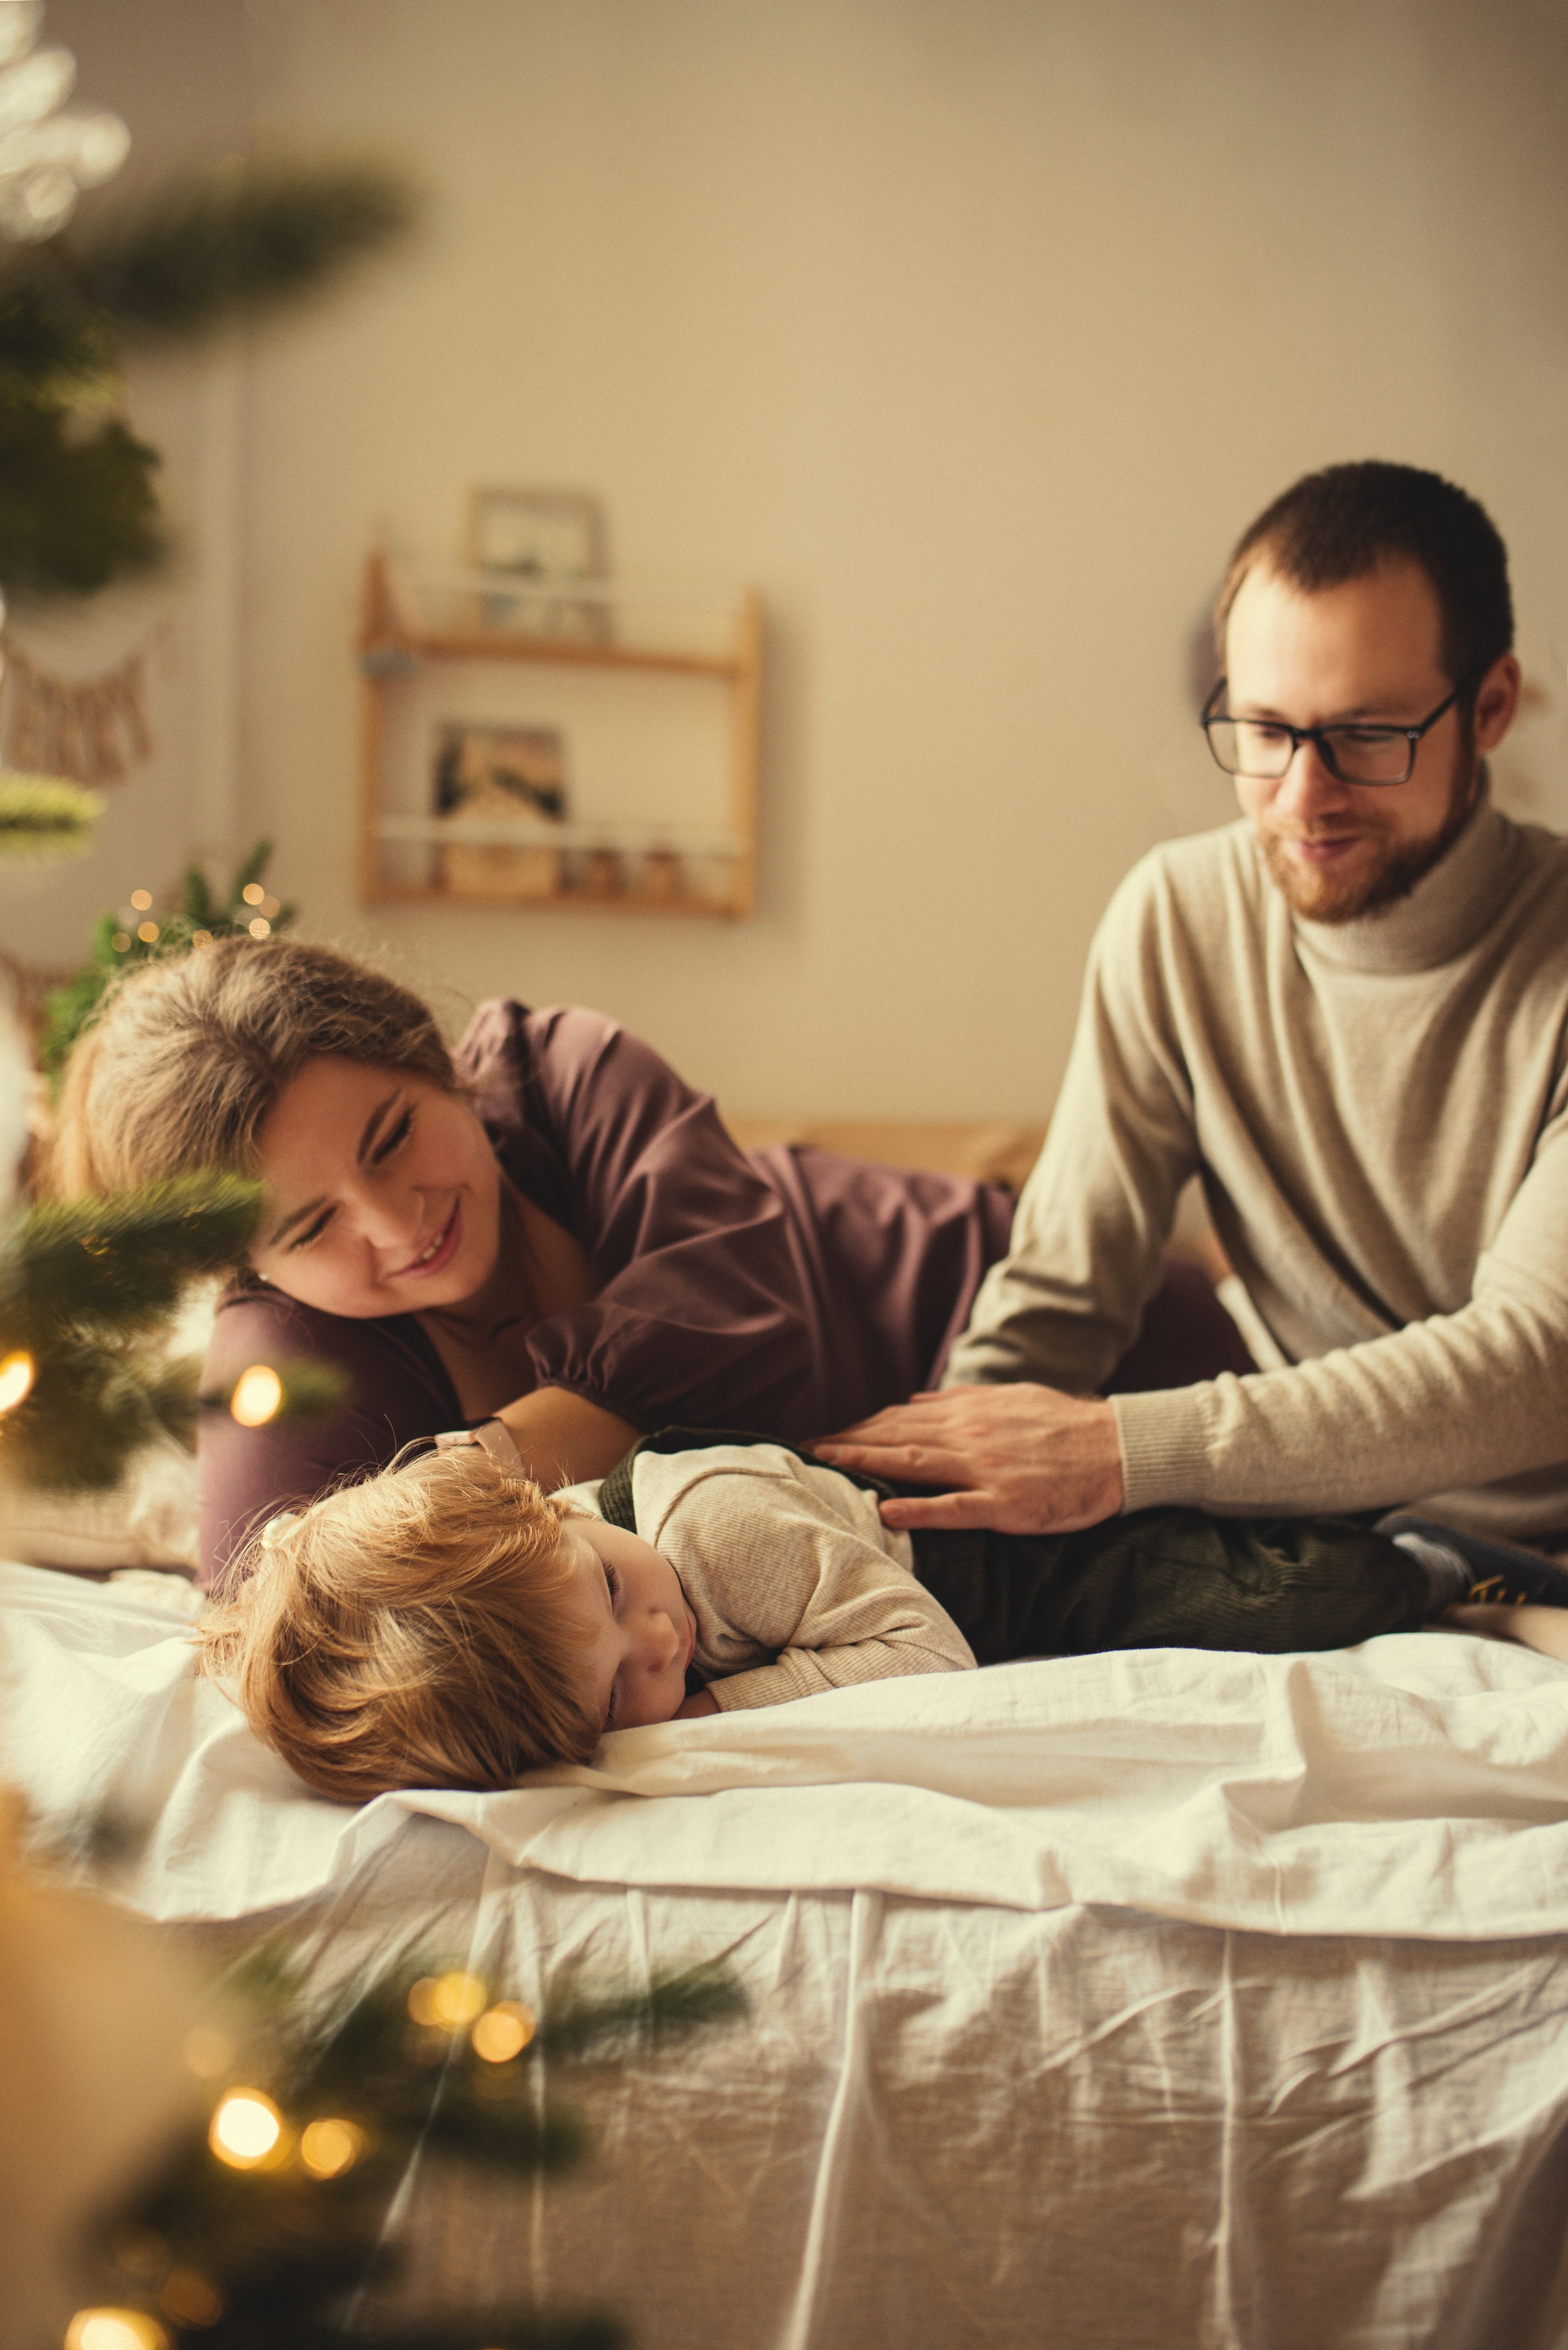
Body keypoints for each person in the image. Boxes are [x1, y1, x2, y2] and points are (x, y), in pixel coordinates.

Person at [818, 461, 1568, 1556]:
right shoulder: (1176, 919)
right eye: (1263, 731)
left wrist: (1125, 1450)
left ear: (1489, 707)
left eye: (1367, 734)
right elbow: (1061, 1296)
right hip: (1333, 1558)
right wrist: (920, 1517)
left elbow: (1536, 1362)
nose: (1303, 796)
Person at [199, 1426, 1449, 1804]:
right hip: (920, 1588)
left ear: (538, 1504)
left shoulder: (709, 1534)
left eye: (612, 1592)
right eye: (614, 1691)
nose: (658, 1643)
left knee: (1281, 1594)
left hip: (1003, 1572)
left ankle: (1450, 1559)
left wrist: (698, 1711)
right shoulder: (543, 1603)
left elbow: (927, 1656)